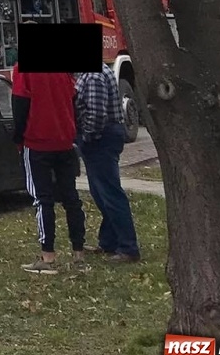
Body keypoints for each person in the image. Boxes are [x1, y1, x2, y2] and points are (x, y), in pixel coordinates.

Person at [12, 62, 88, 274]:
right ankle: (79, 252)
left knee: (42, 199)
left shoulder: (23, 70)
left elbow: (20, 105)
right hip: (64, 141)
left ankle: (48, 256)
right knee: (71, 198)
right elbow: (74, 99)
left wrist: (18, 138)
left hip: (37, 142)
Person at [74, 62, 140, 263]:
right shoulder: (95, 71)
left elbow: (96, 114)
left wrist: (86, 138)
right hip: (104, 137)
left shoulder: (93, 75)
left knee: (110, 193)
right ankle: (109, 242)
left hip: (101, 139)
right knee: (101, 192)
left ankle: (128, 247)